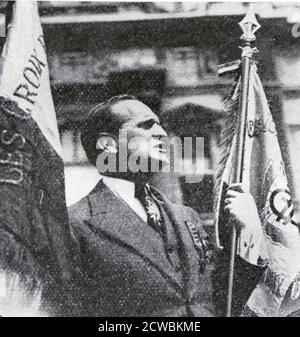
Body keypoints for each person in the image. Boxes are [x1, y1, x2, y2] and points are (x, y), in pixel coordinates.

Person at [66, 95, 265, 317]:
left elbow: (221, 302)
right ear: (109, 145)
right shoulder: (74, 224)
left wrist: (250, 233)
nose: (161, 133)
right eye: (146, 125)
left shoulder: (187, 217)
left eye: (160, 125)